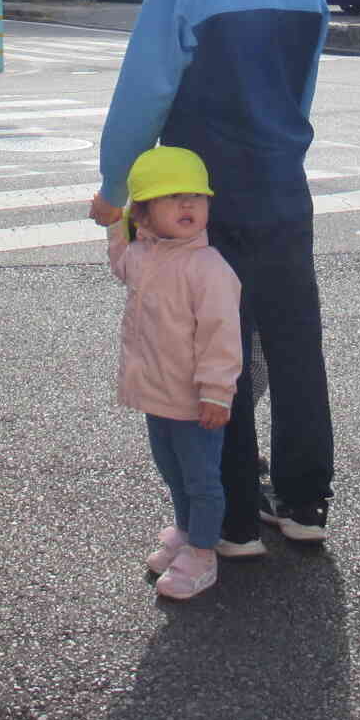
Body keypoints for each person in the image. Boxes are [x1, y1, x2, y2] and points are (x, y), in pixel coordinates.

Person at [91, 0, 335, 551]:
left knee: (211, 347)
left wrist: (114, 186)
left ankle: (230, 519)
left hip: (200, 201)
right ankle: (304, 503)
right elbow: (302, 91)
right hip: (284, 186)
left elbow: (146, 93)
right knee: (295, 349)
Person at [108, 146, 242, 601]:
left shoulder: (209, 268)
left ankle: (203, 553)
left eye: (195, 197)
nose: (187, 205)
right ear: (144, 213)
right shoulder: (146, 255)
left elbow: (221, 337)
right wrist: (113, 223)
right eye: (171, 198)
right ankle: (186, 531)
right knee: (172, 470)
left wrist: (217, 393)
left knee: (202, 479)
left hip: (194, 400)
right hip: (156, 394)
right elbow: (120, 263)